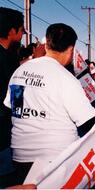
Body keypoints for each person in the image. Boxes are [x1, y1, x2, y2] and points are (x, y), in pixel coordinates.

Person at [4, 23, 95, 185]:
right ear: (71, 49)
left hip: (19, 158)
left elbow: (12, 108)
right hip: (56, 161)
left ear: (46, 44)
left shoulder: (20, 72)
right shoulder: (66, 79)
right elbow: (88, 122)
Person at [0, 7, 24, 188]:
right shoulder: (6, 60)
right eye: (21, 29)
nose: (23, 34)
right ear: (11, 32)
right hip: (3, 137)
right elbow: (16, 100)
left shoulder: (7, 56)